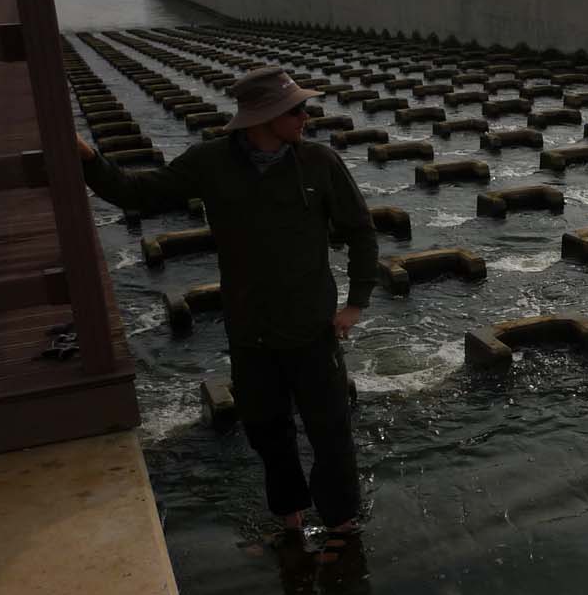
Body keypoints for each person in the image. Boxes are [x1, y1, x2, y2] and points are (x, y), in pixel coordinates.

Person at [76, 66, 379, 561]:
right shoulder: (211, 163)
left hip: (312, 330)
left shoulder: (320, 163)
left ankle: (342, 527)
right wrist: (88, 158)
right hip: (250, 332)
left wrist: (357, 303)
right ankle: (290, 525)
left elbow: (361, 230)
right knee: (266, 432)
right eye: (296, 109)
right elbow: (137, 192)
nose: (307, 116)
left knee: (331, 433)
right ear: (266, 117)